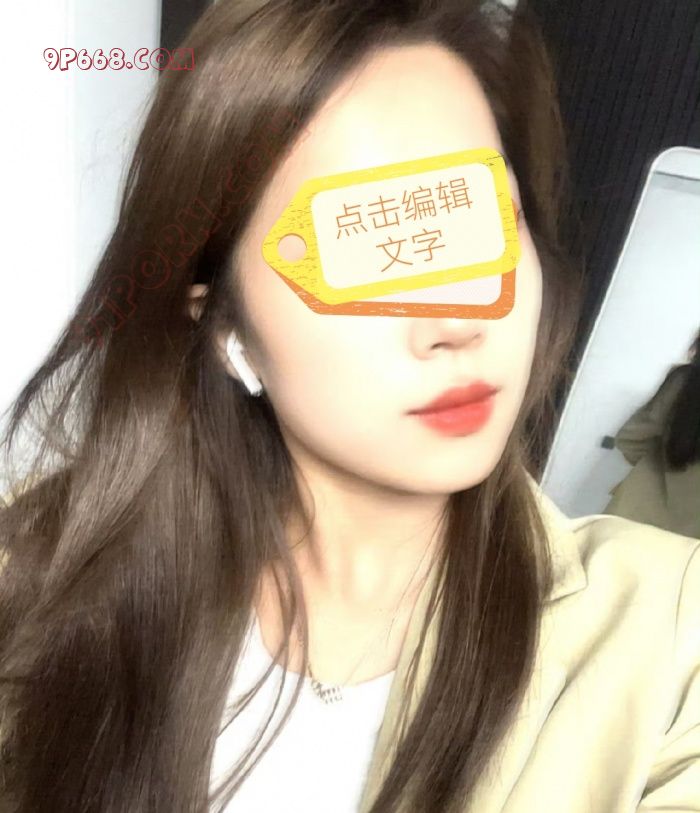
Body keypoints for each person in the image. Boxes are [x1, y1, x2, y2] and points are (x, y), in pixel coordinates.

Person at [0, 1, 698, 811]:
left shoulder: (670, 637)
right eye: (369, 254)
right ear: (226, 329)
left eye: (482, 225)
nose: (457, 320)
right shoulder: (40, 565)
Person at [605, 328, 700, 539]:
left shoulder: (684, 382)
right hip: (689, 547)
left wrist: (665, 463)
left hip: (633, 517)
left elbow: (630, 440)